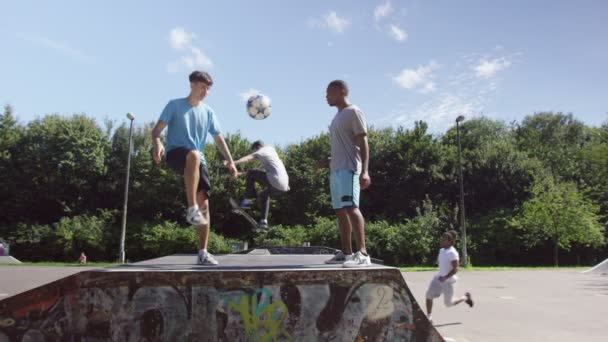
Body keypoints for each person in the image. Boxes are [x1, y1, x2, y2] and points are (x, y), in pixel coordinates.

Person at [152, 70, 238, 265]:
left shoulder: (208, 112)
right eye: (202, 87)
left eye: (208, 89)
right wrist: (157, 143)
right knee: (194, 154)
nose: (205, 92)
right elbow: (156, 131)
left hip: (198, 162)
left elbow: (218, 138)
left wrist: (231, 161)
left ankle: (203, 252)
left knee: (205, 205)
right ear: (192, 84)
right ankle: (191, 207)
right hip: (176, 154)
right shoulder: (174, 105)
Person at [319, 80, 372, 268]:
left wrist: (365, 171)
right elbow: (341, 146)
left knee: (351, 208)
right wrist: (327, 163)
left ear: (341, 91)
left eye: (329, 93)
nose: (326, 97)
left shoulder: (353, 111)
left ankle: (363, 254)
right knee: (340, 211)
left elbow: (363, 141)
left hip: (349, 168)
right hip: (336, 170)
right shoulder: (336, 119)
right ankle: (347, 254)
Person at [228, 140, 290, 229]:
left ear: (257, 147)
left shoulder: (263, 150)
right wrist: (240, 174)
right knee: (263, 195)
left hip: (276, 180)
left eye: (254, 151)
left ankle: (248, 200)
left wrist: (233, 163)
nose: (256, 155)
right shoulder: (270, 154)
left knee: (252, 174)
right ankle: (264, 221)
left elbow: (248, 158)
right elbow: (255, 171)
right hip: (283, 186)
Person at [425, 230, 474, 324]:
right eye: (441, 239)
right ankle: (429, 317)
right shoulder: (441, 250)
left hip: (448, 281)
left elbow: (456, 268)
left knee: (449, 304)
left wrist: (445, 277)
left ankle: (465, 298)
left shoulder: (453, 253)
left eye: (444, 240)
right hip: (438, 278)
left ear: (450, 241)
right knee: (428, 295)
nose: (441, 241)